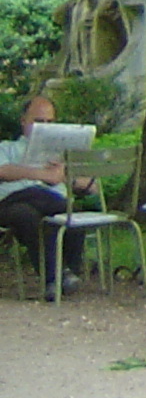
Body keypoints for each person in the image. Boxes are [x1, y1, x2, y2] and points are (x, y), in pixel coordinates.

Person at [0, 91, 82, 299]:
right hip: (12, 202)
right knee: (28, 210)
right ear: (23, 122)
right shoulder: (7, 148)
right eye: (38, 121)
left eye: (49, 122)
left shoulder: (61, 153)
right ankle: (60, 275)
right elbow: (2, 171)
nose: (43, 128)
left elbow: (91, 187)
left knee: (69, 212)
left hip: (52, 204)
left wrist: (65, 175)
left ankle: (59, 277)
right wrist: (41, 175)